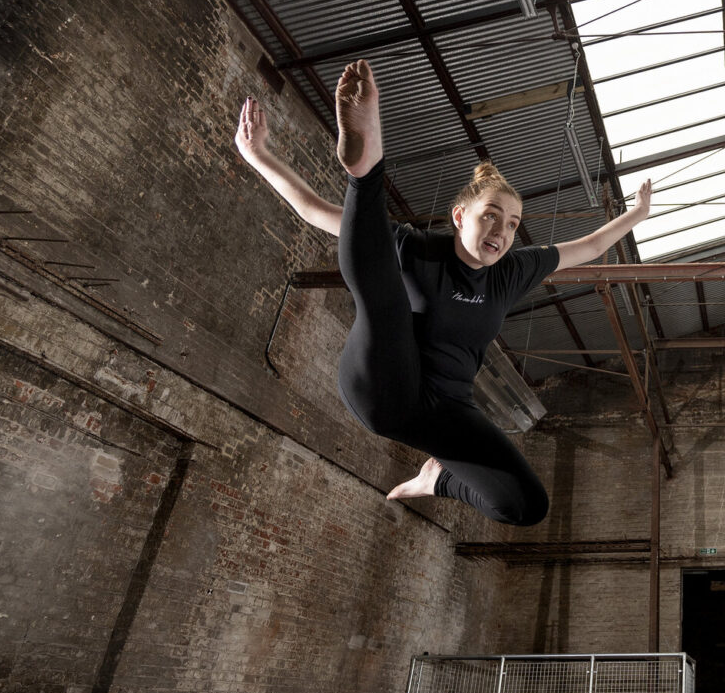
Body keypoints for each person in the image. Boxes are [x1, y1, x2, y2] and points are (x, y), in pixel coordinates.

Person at [235, 59, 653, 526]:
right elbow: (314, 210)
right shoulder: (416, 247)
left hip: (446, 409)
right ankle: (365, 169)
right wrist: (258, 155)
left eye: (513, 224)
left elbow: (591, 245)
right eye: (491, 215)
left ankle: (437, 481)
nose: (502, 230)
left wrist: (636, 215)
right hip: (383, 382)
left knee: (528, 506)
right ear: (460, 216)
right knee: (387, 300)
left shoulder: (514, 271)